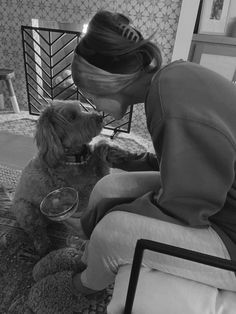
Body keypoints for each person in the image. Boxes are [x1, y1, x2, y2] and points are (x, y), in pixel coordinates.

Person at [67, 9, 236, 294]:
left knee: (112, 231)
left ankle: (79, 289)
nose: (94, 107)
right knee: (110, 186)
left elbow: (186, 208)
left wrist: (104, 216)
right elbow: (188, 166)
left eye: (90, 96)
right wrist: (128, 160)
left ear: (105, 84)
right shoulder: (173, 77)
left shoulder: (169, 106)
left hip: (229, 232)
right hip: (223, 201)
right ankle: (88, 256)